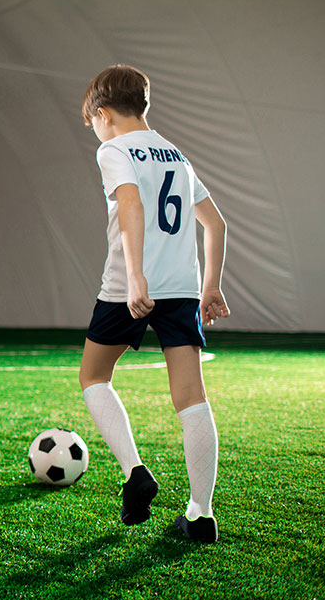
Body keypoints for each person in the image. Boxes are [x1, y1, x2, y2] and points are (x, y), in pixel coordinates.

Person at [78, 64, 229, 543]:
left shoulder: (113, 148)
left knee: (94, 376)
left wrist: (138, 275)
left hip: (130, 286)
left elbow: (131, 205)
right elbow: (216, 224)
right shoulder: (177, 155)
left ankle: (135, 472)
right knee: (192, 399)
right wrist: (210, 287)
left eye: (93, 122)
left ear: (103, 113)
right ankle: (201, 514)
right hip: (183, 288)